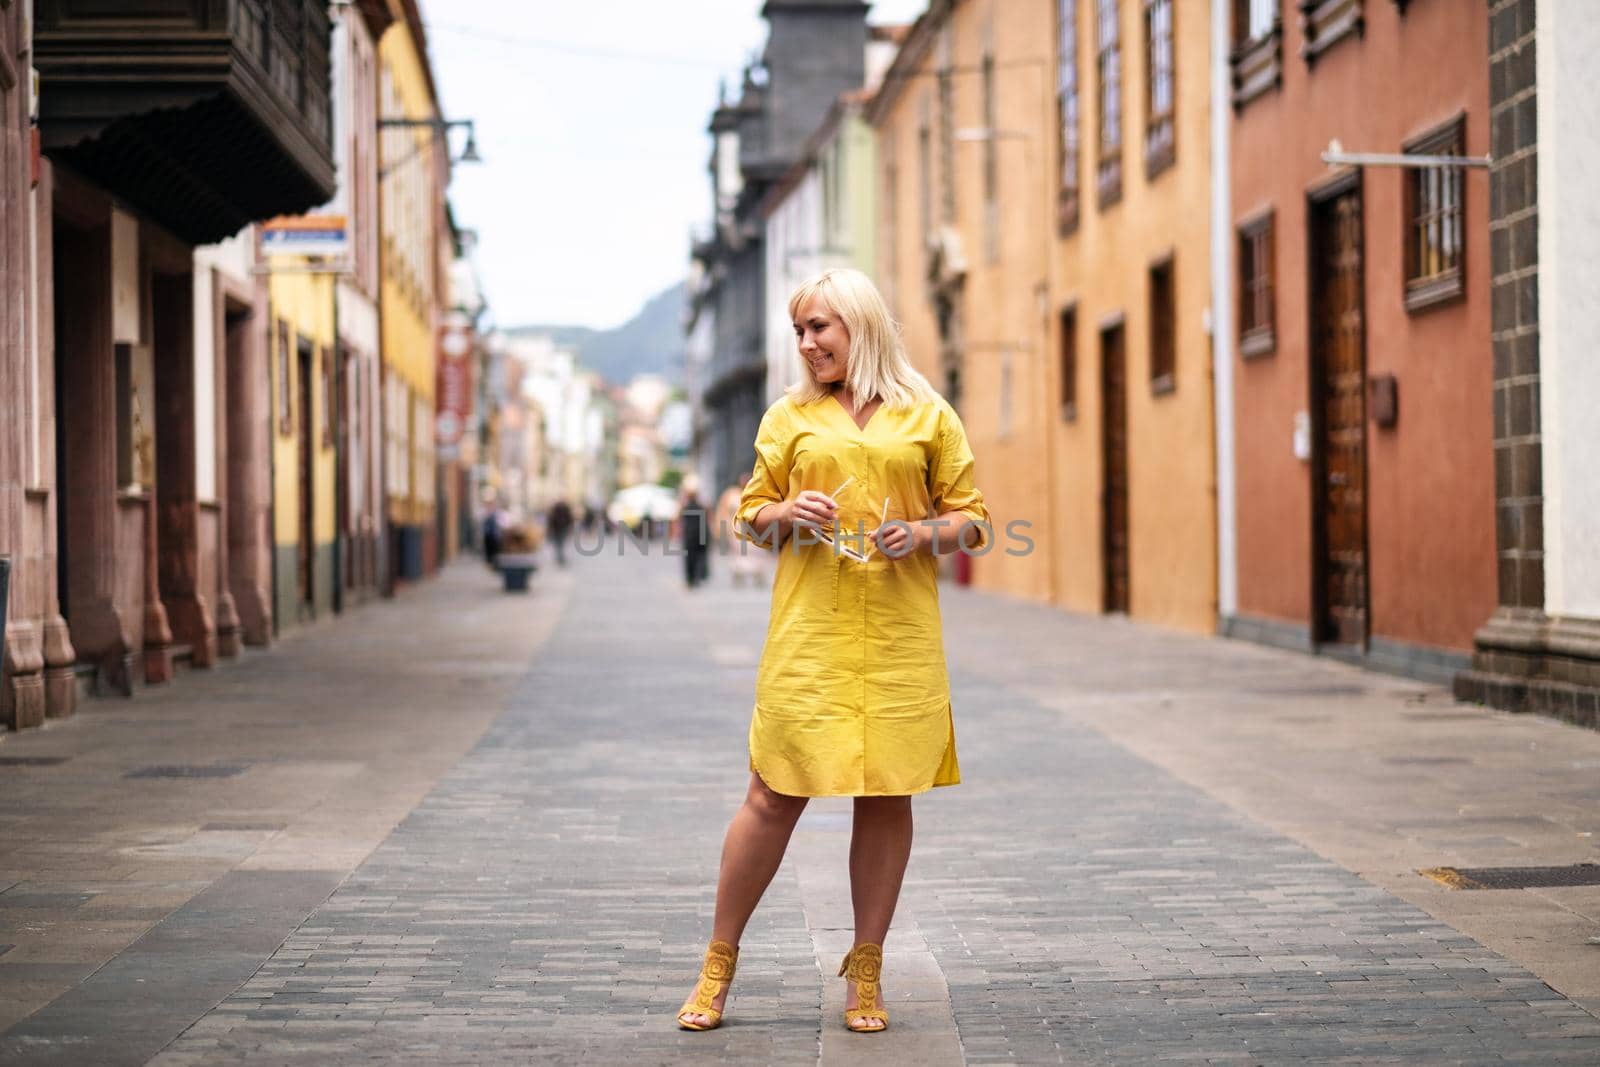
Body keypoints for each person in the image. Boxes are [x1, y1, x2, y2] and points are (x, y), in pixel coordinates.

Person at [677, 268, 989, 1034]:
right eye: (800, 331)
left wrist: (920, 532)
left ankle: (867, 970)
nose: (808, 343)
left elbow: (973, 519)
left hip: (895, 635)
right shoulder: (789, 416)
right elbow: (750, 515)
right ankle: (718, 961)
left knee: (885, 794)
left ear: (860, 324)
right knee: (772, 792)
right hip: (810, 634)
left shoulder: (928, 413)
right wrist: (786, 509)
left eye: (820, 327)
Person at [679, 477, 710, 589]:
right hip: (693, 534)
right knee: (692, 558)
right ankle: (692, 578)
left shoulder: (700, 503)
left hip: (696, 534)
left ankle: (694, 578)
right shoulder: (686, 504)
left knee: (696, 557)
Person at [546, 499, 574, 567]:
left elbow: (550, 521)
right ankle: (560, 558)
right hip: (561, 529)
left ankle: (560, 558)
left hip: (558, 529)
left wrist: (549, 530)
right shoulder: (565, 511)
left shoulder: (555, 511)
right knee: (560, 544)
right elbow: (570, 520)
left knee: (558, 545)